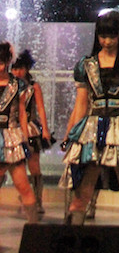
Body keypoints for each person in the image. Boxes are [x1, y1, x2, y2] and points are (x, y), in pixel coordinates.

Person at [60, 7, 119, 244]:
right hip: (90, 131)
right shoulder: (86, 65)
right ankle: (71, 245)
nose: (107, 41)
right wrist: (70, 135)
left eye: (112, 36)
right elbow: (81, 104)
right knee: (80, 198)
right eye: (102, 36)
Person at [0, 41, 39, 223]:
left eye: (2, 62)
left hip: (11, 139)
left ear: (8, 61)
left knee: (23, 185)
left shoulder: (17, 84)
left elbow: (22, 113)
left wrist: (25, 137)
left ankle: (34, 228)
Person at [11, 49, 53, 215]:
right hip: (13, 130)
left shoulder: (33, 87)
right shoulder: (9, 86)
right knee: (16, 167)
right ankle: (26, 197)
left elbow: (40, 108)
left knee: (34, 165)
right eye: (14, 68)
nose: (17, 72)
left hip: (31, 128)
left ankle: (38, 200)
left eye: (20, 68)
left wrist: (45, 129)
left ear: (27, 68)